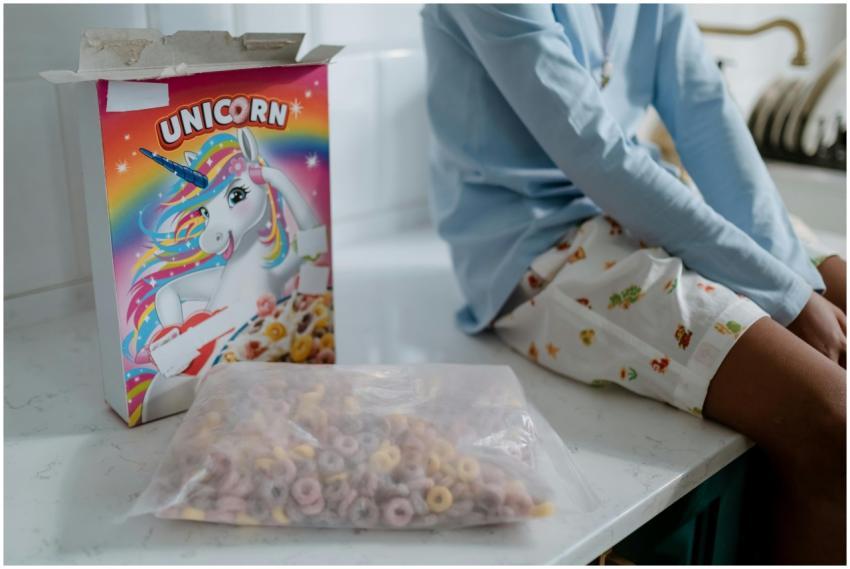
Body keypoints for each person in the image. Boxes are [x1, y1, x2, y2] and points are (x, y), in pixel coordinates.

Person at [421, 4, 845, 563]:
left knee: (835, 292)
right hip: (540, 244)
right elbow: (597, 151)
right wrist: (786, 298)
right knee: (832, 416)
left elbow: (705, 113)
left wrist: (791, 276)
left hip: (640, 204)